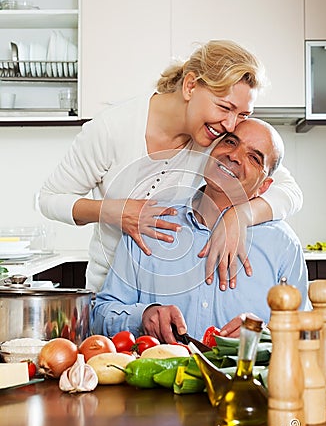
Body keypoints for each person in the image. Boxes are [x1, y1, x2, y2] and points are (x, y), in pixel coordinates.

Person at [39, 40, 303, 293]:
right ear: (190, 86)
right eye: (225, 107)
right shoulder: (112, 130)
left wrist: (239, 216)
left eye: (243, 115)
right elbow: (49, 199)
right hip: (112, 291)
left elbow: (289, 191)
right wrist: (113, 211)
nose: (232, 125)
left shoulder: (218, 137)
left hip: (172, 293)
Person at [91, 118, 310, 342]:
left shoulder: (282, 245)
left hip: (241, 377)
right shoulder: (151, 224)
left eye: (253, 158)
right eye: (231, 142)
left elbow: (305, 333)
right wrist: (142, 317)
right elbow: (99, 316)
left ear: (264, 186)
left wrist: (263, 334)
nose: (234, 156)